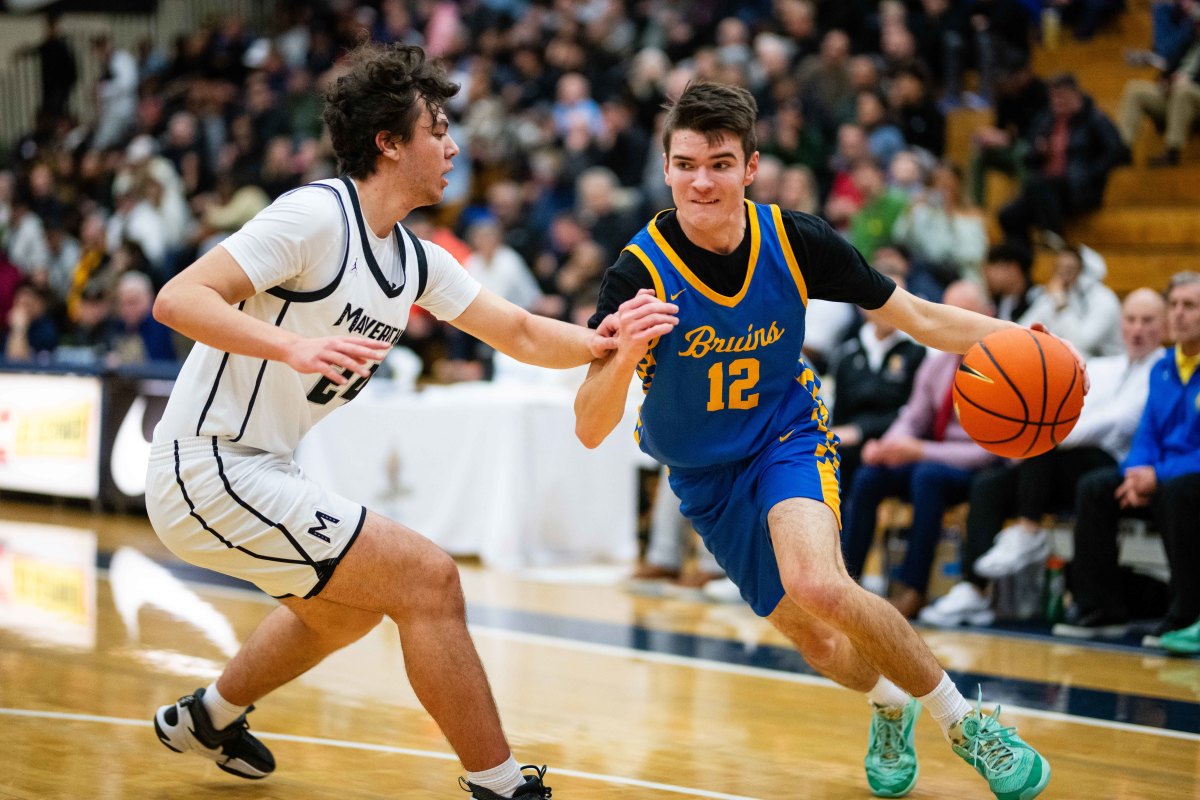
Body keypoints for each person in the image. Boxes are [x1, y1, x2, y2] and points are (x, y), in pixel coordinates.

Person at [144, 44, 623, 800]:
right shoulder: (314, 215)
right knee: (427, 580)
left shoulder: (416, 261)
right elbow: (178, 298)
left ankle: (209, 716)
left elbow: (525, 334)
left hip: (263, 468)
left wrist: (611, 340)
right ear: (389, 142)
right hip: (206, 465)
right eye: (437, 129)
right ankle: (501, 786)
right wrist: (292, 343)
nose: (454, 146)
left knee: (344, 615)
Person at [575, 81, 1058, 799]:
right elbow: (589, 427)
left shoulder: (795, 239)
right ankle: (888, 703)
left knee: (817, 580)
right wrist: (620, 355)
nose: (700, 181)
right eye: (684, 164)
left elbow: (919, 317)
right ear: (666, 166)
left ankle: (966, 722)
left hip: (784, 435)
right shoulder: (636, 273)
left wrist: (1015, 337)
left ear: (750, 166)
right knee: (822, 643)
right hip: (703, 478)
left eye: (718, 162)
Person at [920, 288, 1167, 626]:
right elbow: (1074, 415)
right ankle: (973, 591)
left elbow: (1118, 422)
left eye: (1148, 320)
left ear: (1164, 326)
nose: (1138, 328)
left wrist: (1050, 428)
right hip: (1060, 467)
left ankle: (1029, 530)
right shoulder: (1104, 367)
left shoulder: (1161, 370)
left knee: (1043, 436)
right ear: (1121, 324)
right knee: (989, 485)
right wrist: (1051, 426)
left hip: (1111, 464)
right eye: (1131, 319)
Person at [840, 281, 1001, 619]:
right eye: (949, 312)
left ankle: (913, 588)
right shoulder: (939, 363)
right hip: (930, 455)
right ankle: (845, 582)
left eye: (965, 313)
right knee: (871, 476)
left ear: (988, 315)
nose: (955, 320)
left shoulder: (1003, 369)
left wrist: (918, 451)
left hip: (975, 466)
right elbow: (913, 418)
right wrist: (889, 446)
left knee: (926, 477)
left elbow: (987, 451)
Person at [1053, 272, 1200, 641]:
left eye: (1191, 306)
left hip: (1184, 479)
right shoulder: (1163, 367)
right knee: (1096, 487)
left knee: (1177, 492)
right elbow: (1147, 432)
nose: (1180, 314)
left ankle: (1186, 614)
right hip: (1160, 476)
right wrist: (1136, 471)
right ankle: (1101, 606)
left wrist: (1158, 475)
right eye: (1176, 306)